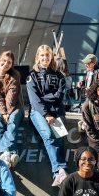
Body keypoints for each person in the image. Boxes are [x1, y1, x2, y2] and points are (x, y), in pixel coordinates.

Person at [26, 45, 68, 187]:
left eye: (47, 55)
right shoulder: (32, 76)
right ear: (38, 57)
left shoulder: (59, 75)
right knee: (49, 136)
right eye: (42, 55)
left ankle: (59, 174)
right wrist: (46, 114)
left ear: (51, 57)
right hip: (39, 112)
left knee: (60, 138)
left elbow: (60, 95)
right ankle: (60, 169)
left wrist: (46, 98)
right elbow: (35, 99)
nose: (45, 58)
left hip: (57, 111)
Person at [0, 50, 23, 168]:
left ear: (12, 64)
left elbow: (11, 96)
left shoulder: (15, 75)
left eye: (9, 62)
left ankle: (2, 153)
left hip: (15, 106)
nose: (6, 64)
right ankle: (10, 153)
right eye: (4, 60)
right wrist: (3, 113)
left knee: (12, 121)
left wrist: (8, 112)